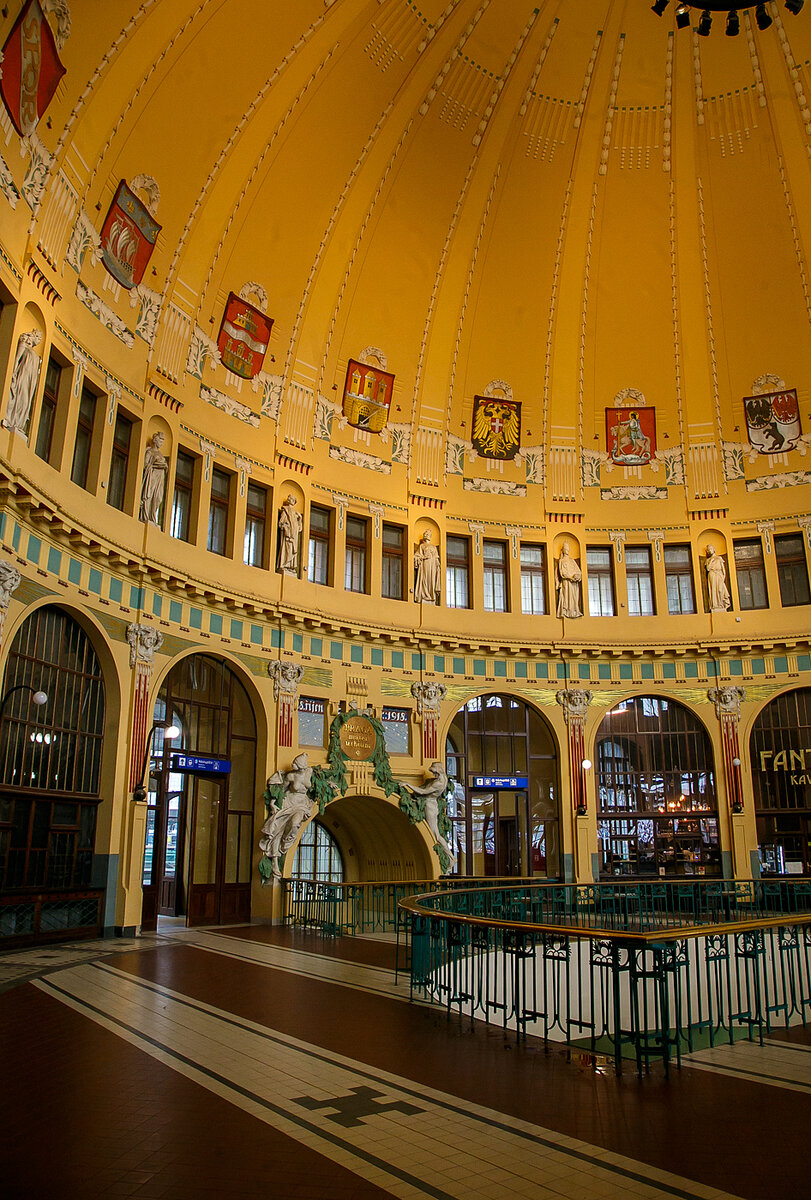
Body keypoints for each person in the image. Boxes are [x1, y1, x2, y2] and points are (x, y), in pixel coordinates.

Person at [259, 753, 315, 879]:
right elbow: (281, 791)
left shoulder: (309, 772)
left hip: (302, 805)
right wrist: (273, 802)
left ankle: (285, 845)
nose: (298, 767)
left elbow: (315, 782)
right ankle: (275, 860)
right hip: (289, 803)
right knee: (278, 830)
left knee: (295, 824)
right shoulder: (290, 776)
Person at [409, 761, 456, 871]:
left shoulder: (438, 783)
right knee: (435, 833)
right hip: (432, 804)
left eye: (434, 772)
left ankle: (451, 857)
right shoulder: (442, 779)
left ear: (438, 770)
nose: (433, 774)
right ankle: (451, 857)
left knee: (434, 834)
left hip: (430, 806)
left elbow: (422, 791)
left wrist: (407, 784)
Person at [3, 330, 42, 435]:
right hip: (22, 377)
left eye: (40, 339)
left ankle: (19, 423)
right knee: (21, 398)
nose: (39, 340)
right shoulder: (24, 344)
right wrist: (13, 374)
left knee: (26, 402)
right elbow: (17, 358)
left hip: (30, 381)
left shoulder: (35, 353)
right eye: (38, 337)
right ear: (33, 335)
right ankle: (12, 420)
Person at [139, 431, 169, 526]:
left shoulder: (160, 454)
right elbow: (145, 465)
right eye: (161, 439)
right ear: (155, 440)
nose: (162, 442)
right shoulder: (150, 451)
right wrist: (156, 464)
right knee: (149, 495)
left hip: (160, 479)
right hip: (151, 477)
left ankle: (153, 517)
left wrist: (164, 466)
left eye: (163, 440)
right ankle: (146, 516)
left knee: (158, 498)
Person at [555, 541, 582, 618]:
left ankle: (574, 611)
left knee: (573, 597)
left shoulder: (572, 561)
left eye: (568, 548)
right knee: (566, 596)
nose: (567, 550)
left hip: (573, 583)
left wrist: (577, 576)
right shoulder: (561, 561)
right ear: (563, 550)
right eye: (565, 548)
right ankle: (565, 610)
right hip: (566, 581)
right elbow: (562, 573)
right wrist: (570, 577)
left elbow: (578, 571)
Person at [414, 529, 440, 604]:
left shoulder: (434, 547)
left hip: (432, 565)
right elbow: (416, 556)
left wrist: (437, 565)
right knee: (425, 579)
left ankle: (431, 595)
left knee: (431, 580)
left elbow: (436, 558)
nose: (426, 535)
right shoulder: (422, 546)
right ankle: (425, 594)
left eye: (428, 534)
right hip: (425, 564)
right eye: (425, 533)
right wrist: (423, 557)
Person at [277, 494, 302, 574]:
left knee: (292, 552)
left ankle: (290, 567)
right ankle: (284, 565)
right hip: (288, 535)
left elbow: (299, 529)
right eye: (290, 498)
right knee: (287, 550)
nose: (291, 500)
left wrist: (300, 519)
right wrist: (286, 527)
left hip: (294, 537)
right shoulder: (286, 511)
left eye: (293, 499)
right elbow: (280, 523)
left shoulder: (295, 514)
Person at [705, 544, 731, 612]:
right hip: (712, 574)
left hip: (719, 574)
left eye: (711, 548)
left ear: (714, 549)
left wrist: (723, 577)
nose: (710, 550)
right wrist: (711, 561)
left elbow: (723, 569)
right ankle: (715, 605)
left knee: (720, 589)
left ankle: (721, 604)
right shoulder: (708, 560)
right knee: (713, 589)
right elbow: (708, 569)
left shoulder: (719, 558)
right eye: (708, 549)